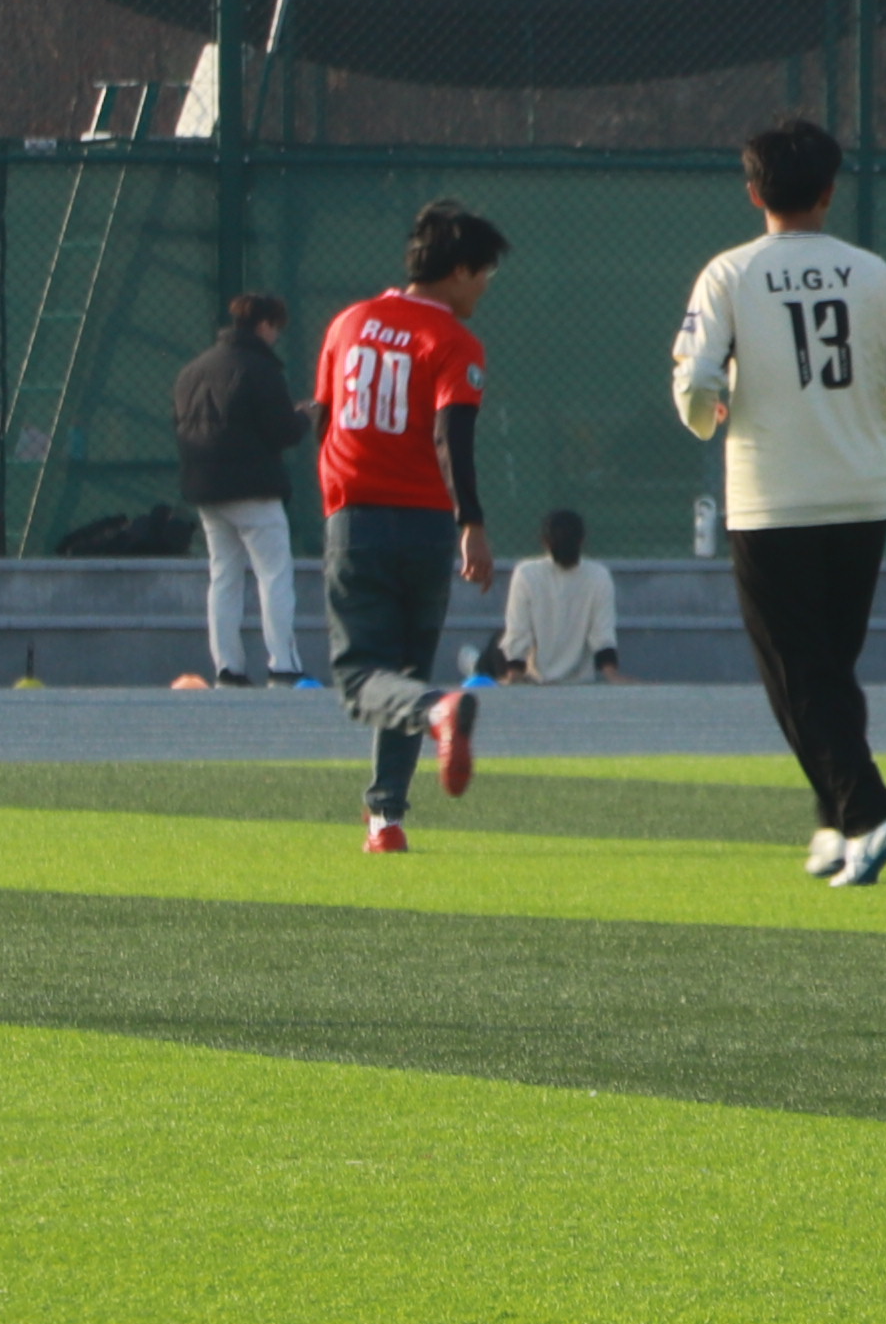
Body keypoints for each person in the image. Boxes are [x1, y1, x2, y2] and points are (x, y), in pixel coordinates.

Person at [672, 116, 886, 887]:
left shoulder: (730, 273)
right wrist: (878, 425)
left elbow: (696, 378)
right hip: (861, 494)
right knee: (830, 670)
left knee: (795, 674)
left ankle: (869, 812)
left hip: (773, 499)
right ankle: (834, 826)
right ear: (829, 191)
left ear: (754, 192)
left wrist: (706, 420)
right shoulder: (871, 272)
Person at [313, 205, 504, 856]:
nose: (485, 286)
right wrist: (471, 523)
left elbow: (324, 418)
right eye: (485, 274)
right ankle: (385, 818)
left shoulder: (349, 323)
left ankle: (432, 721)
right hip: (426, 526)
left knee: (363, 680)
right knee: (406, 673)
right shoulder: (454, 342)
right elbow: (453, 436)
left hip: (356, 519)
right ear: (459, 271)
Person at [169, 291, 303, 686]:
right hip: (255, 490)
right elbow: (282, 431)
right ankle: (283, 664)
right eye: (276, 328)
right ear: (264, 325)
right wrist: (304, 417)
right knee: (274, 575)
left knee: (224, 577)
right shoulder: (261, 369)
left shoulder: (192, 371)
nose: (276, 336)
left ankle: (228, 666)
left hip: (206, 490)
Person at [490, 507, 624, 683]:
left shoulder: (526, 574)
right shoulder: (599, 576)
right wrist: (612, 675)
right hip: (580, 682)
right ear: (583, 541)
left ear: (544, 542)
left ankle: (476, 666)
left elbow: (518, 633)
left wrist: (514, 676)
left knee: (496, 642)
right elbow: (602, 635)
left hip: (534, 680)